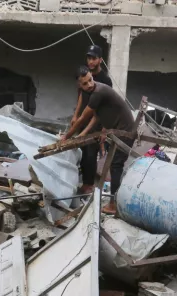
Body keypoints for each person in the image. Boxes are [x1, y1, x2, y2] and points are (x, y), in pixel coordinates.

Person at [60, 67, 137, 214]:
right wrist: (81, 135)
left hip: (124, 131)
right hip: (115, 130)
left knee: (116, 165)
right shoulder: (90, 93)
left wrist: (66, 137)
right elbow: (96, 117)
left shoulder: (98, 92)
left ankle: (113, 205)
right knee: (114, 164)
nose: (89, 84)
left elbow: (83, 118)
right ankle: (114, 201)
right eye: (85, 83)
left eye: (90, 79)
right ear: (79, 85)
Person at [71, 45, 113, 193]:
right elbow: (80, 97)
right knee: (81, 151)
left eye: (94, 58)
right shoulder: (84, 75)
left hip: (97, 121)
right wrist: (75, 116)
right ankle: (85, 182)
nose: (91, 61)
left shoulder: (105, 80)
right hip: (83, 119)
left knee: (91, 152)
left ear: (100, 60)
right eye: (89, 58)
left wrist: (104, 129)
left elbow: (107, 107)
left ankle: (88, 184)